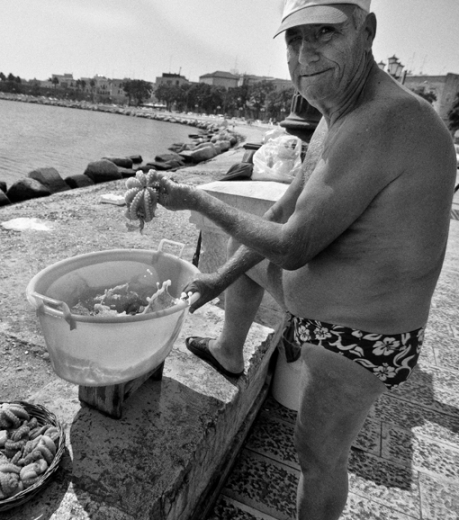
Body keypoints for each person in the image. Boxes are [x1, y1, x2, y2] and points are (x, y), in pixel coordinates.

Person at [157, 1, 457, 519]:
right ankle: (230, 350)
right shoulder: (334, 115)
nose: (305, 52)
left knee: (317, 454)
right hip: (319, 312)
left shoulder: (388, 118)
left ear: (367, 32)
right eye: (294, 40)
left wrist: (199, 199)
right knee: (241, 251)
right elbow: (280, 211)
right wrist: (216, 280)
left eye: (325, 33)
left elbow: (293, 244)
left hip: (361, 335)